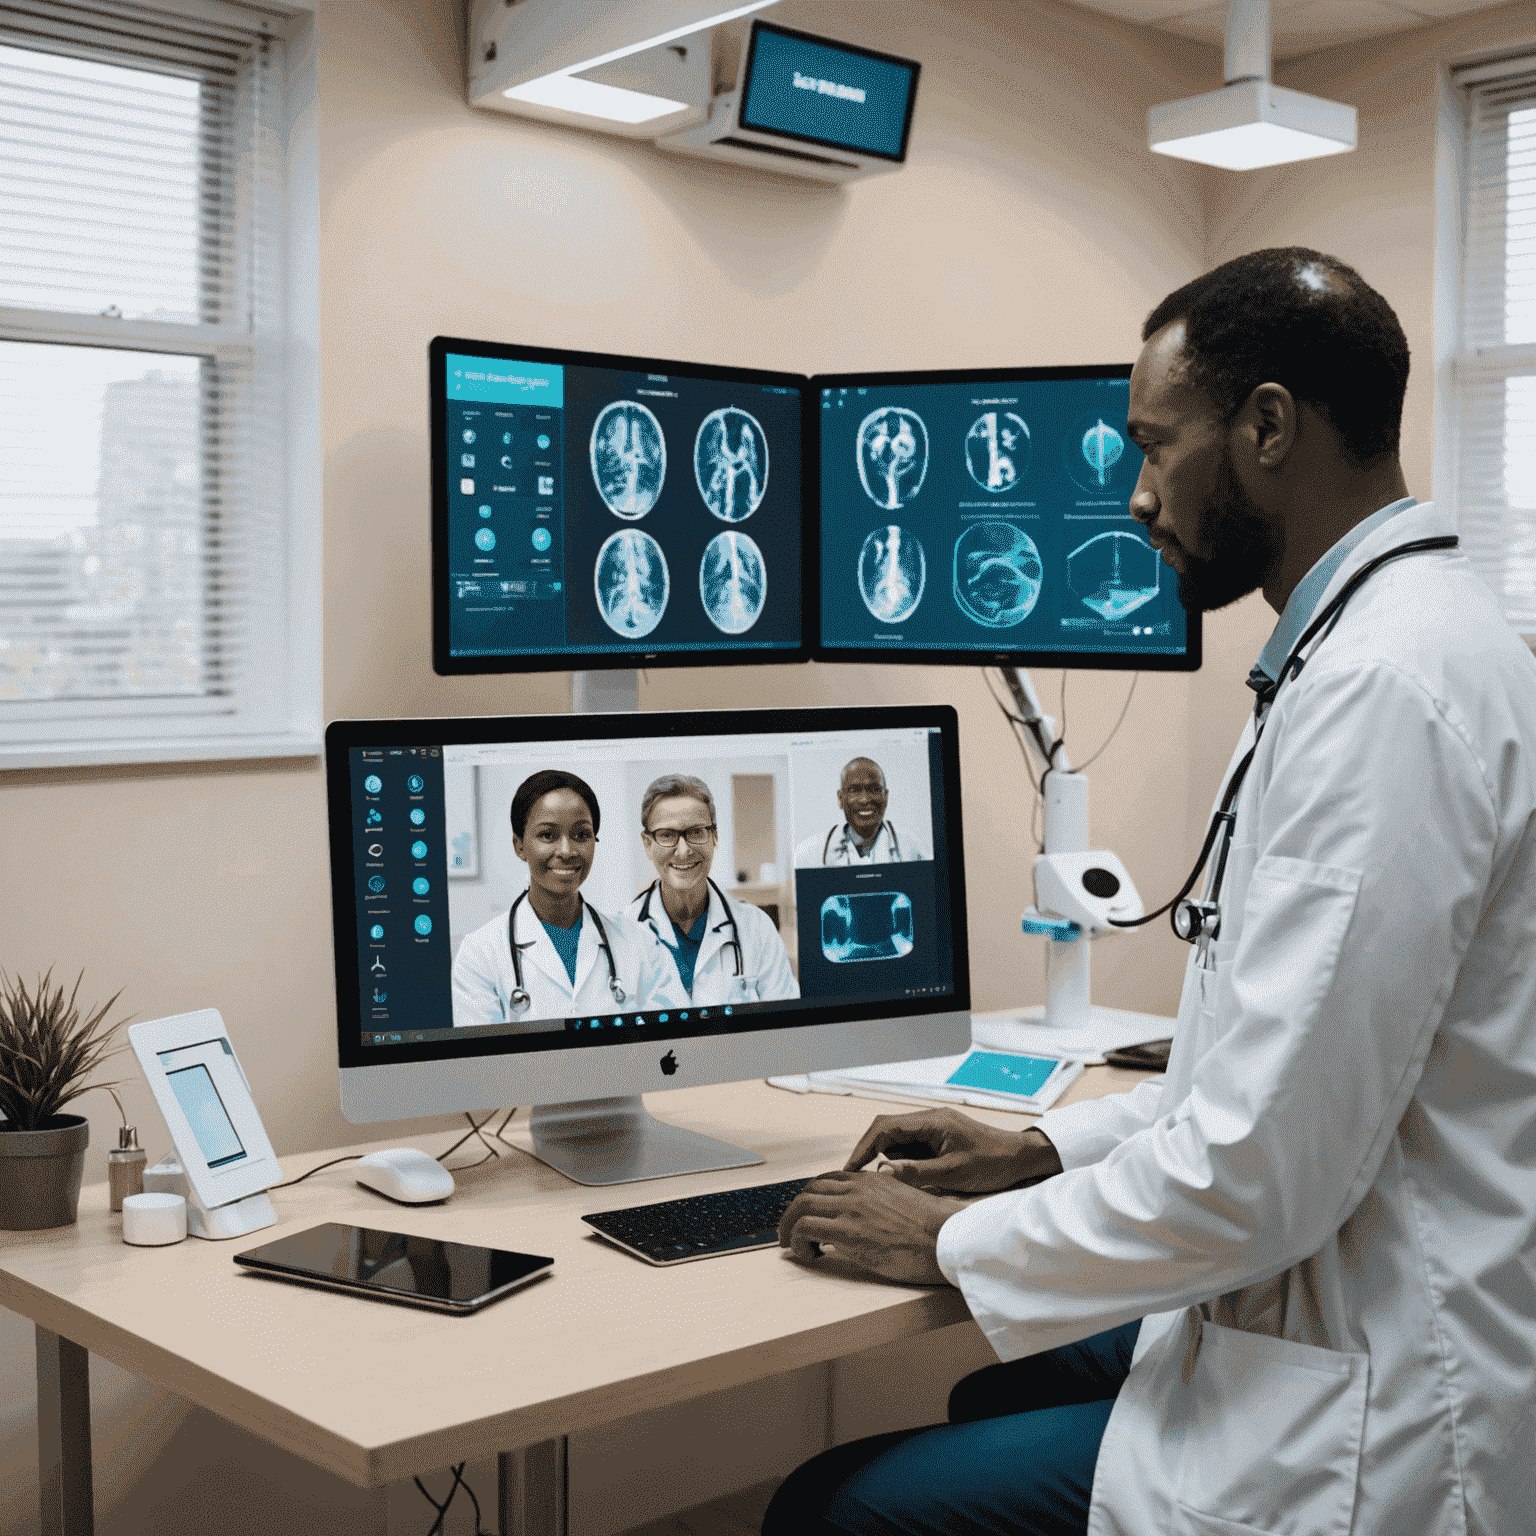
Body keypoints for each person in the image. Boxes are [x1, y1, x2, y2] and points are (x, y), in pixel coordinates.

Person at [771, 248, 1536, 1535]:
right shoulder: (1371, 646)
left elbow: (1258, 1167)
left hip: (1374, 1410)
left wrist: (946, 1242)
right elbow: (1253, 1078)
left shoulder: (1378, 692)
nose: (1134, 497)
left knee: (833, 1508)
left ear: (1269, 426)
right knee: (984, 1396)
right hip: (1319, 1300)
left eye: (1154, 445)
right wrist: (1038, 1149)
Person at [451, 769, 679, 1029]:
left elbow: (665, 1044)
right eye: (547, 835)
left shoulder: (641, 944)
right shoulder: (481, 954)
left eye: (581, 835)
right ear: (519, 845)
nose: (567, 851)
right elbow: (482, 1065)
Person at [625, 773, 798, 1006]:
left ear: (714, 838)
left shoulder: (758, 930)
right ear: (647, 845)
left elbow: (785, 1031)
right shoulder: (620, 935)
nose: (683, 850)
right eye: (667, 835)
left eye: (696, 832)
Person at [793, 756, 928, 867]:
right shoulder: (808, 854)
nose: (864, 800)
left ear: (885, 798)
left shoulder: (910, 848)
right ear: (840, 798)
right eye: (854, 790)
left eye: (874, 789)